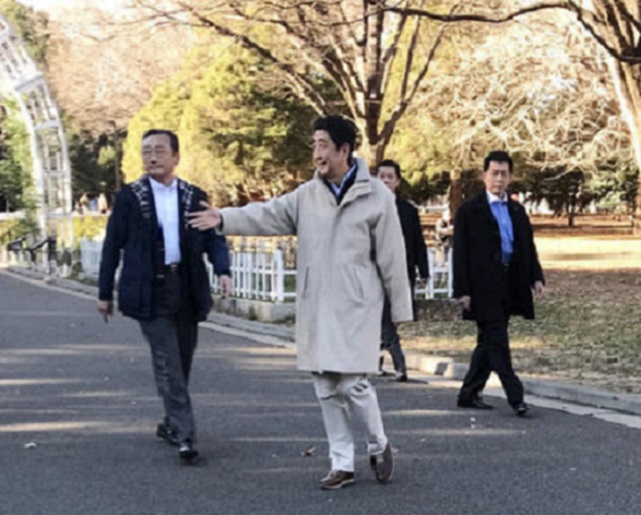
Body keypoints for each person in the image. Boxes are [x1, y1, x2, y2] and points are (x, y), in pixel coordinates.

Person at [188, 115, 413, 490]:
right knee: (325, 386)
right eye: (314, 145)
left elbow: (392, 256)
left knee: (353, 383)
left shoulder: (377, 196)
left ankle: (379, 443)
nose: (317, 154)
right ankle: (342, 463)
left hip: (357, 303)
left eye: (323, 145)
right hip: (317, 303)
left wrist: (401, 308)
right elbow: (267, 214)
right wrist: (223, 218)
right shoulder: (307, 195)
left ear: (344, 150)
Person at [97, 129, 233, 461]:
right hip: (149, 290)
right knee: (168, 362)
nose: (152, 157)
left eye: (159, 150)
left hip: (186, 288)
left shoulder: (193, 195)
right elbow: (112, 246)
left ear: (176, 157)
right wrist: (104, 292)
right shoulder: (130, 198)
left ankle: (171, 422)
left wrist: (223, 269)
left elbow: (213, 237)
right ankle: (186, 435)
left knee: (181, 360)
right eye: (146, 151)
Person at [453, 150, 545, 416]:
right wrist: (462, 291)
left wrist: (536, 277)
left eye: (504, 174)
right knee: (498, 342)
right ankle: (516, 397)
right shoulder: (470, 210)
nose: (499, 179)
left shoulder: (516, 210)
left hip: (509, 283)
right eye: (494, 173)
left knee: (488, 342)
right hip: (482, 287)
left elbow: (527, 246)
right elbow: (460, 254)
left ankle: (468, 393)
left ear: (511, 177)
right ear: (484, 176)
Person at [376, 159, 429, 382]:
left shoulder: (408, 210)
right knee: (381, 317)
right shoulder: (366, 207)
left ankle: (380, 361)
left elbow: (418, 242)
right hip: (373, 272)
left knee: (387, 318)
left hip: (401, 272)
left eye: (390, 177)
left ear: (397, 181)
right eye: (381, 176)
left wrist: (423, 271)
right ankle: (397, 364)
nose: (385, 181)